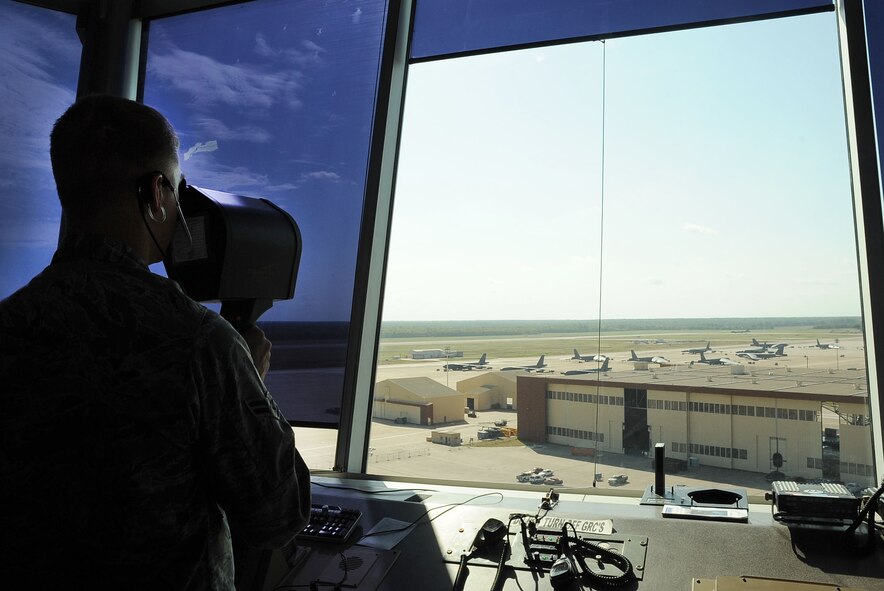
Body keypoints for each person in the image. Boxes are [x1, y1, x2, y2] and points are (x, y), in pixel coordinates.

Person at [0, 95, 310, 589]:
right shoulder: (199, 341)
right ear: (156, 193)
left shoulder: (10, 323)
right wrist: (253, 381)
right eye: (178, 190)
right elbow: (276, 516)